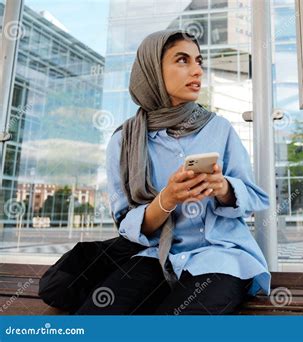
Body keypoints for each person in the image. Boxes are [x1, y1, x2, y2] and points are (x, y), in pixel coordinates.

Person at [74, 29, 271, 315]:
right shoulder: (124, 140)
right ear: (152, 70)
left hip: (220, 255)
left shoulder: (219, 128)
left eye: (198, 61)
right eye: (182, 60)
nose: (197, 71)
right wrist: (167, 199)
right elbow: (126, 224)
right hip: (154, 255)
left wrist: (223, 187)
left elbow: (253, 198)